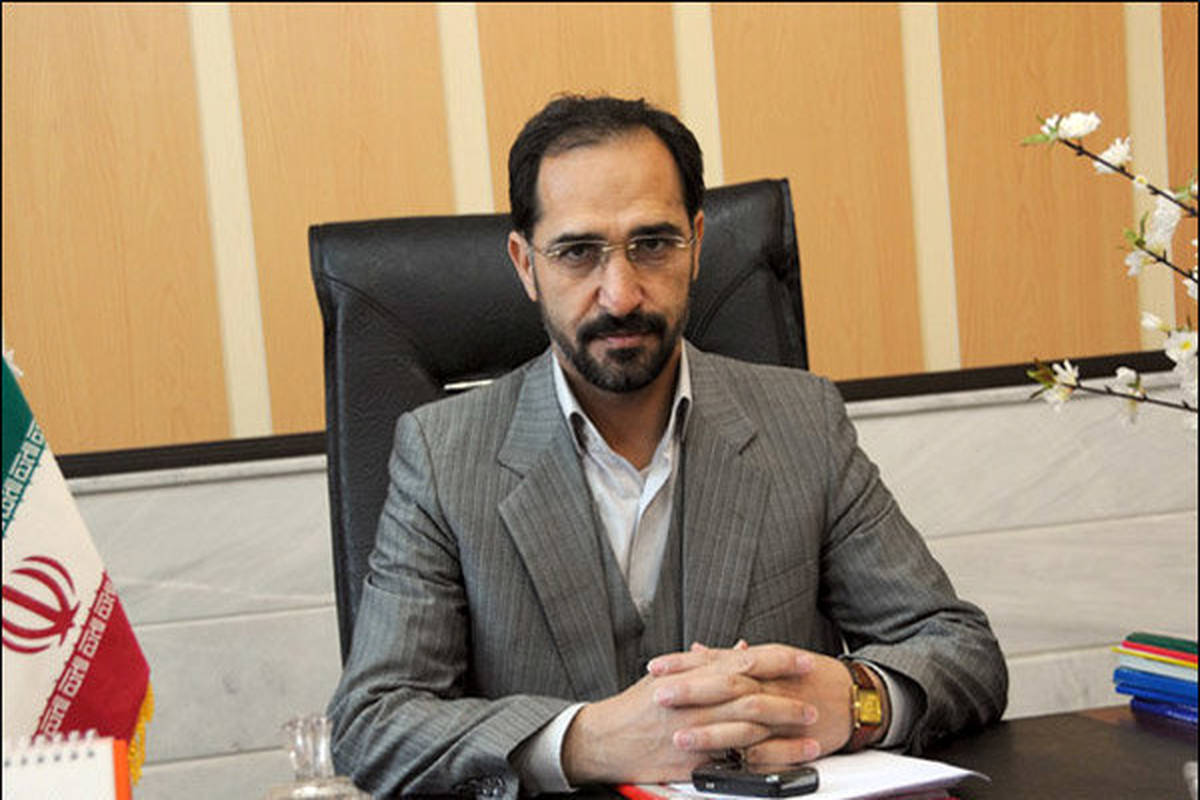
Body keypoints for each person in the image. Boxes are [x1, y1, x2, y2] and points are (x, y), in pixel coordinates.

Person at [327, 94, 1007, 798]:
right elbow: (373, 725)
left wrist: (860, 701)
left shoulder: (803, 423)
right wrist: (586, 741)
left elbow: (963, 650)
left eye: (652, 244)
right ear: (525, 264)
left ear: (697, 243)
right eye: (577, 252)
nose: (621, 294)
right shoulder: (442, 455)